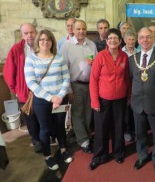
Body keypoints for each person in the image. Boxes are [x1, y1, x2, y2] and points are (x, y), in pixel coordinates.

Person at [24, 29, 73, 170]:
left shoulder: (59, 58)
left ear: (52, 42)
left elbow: (66, 78)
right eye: (42, 39)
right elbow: (31, 83)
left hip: (60, 99)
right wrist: (51, 97)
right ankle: (48, 155)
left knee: (60, 126)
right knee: (44, 129)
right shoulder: (31, 59)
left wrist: (60, 96)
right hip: (42, 100)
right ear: (38, 41)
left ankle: (63, 150)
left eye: (48, 39)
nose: (45, 42)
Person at [129, 27, 155, 174]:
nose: (145, 40)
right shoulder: (132, 59)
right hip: (137, 104)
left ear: (153, 39)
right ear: (138, 40)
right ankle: (142, 155)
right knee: (139, 133)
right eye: (141, 37)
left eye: (148, 37)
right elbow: (130, 80)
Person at [88, 28, 131, 170]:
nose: (113, 40)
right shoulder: (100, 56)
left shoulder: (124, 56)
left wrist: (129, 96)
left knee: (118, 127)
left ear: (120, 41)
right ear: (107, 41)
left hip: (120, 99)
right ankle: (99, 156)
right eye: (110, 38)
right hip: (103, 99)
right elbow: (93, 80)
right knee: (101, 128)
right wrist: (94, 101)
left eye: (116, 38)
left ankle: (118, 153)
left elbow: (127, 78)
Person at [3, 23, 42, 153]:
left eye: (31, 32)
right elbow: (9, 73)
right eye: (26, 33)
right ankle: (36, 140)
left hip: (42, 90)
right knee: (30, 118)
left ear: (36, 32)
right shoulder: (16, 49)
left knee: (43, 116)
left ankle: (45, 138)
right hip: (25, 91)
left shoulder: (43, 45)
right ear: (22, 35)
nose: (29, 35)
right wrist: (16, 90)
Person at [60, 19, 97, 154]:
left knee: (88, 113)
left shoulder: (91, 44)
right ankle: (83, 141)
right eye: (78, 29)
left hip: (90, 85)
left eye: (83, 29)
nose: (81, 31)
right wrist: (68, 89)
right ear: (73, 30)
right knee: (77, 113)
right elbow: (64, 69)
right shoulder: (66, 46)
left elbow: (96, 65)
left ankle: (85, 136)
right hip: (75, 85)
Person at [122, 30, 138, 142]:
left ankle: (135, 131)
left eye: (133, 39)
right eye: (129, 40)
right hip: (125, 83)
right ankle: (127, 130)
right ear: (125, 40)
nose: (131, 42)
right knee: (126, 109)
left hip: (136, 84)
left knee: (135, 109)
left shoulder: (139, 52)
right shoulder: (121, 52)